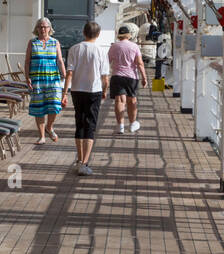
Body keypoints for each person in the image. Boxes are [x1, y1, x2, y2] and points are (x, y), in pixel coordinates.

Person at [64, 21, 109, 175]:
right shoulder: (101, 51)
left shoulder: (74, 49)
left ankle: (79, 159)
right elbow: (105, 77)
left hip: (77, 90)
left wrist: (64, 93)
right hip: (94, 90)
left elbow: (69, 73)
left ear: (83, 32)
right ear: (98, 34)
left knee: (80, 124)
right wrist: (105, 90)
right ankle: (85, 163)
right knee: (90, 125)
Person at [25, 17, 65, 144]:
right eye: (40, 27)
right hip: (37, 80)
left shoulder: (55, 42)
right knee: (39, 107)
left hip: (53, 79)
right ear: (37, 29)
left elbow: (59, 60)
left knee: (54, 105)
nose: (43, 29)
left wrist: (64, 73)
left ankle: (49, 127)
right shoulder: (32, 42)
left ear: (49, 28)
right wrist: (27, 77)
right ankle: (42, 136)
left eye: (45, 27)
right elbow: (27, 61)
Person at [107, 23, 148, 134]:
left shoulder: (114, 46)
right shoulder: (134, 47)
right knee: (132, 100)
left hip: (117, 76)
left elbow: (107, 62)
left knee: (119, 101)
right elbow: (139, 63)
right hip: (131, 77)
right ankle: (132, 124)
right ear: (129, 35)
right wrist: (144, 77)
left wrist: (104, 77)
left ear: (119, 35)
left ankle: (120, 125)